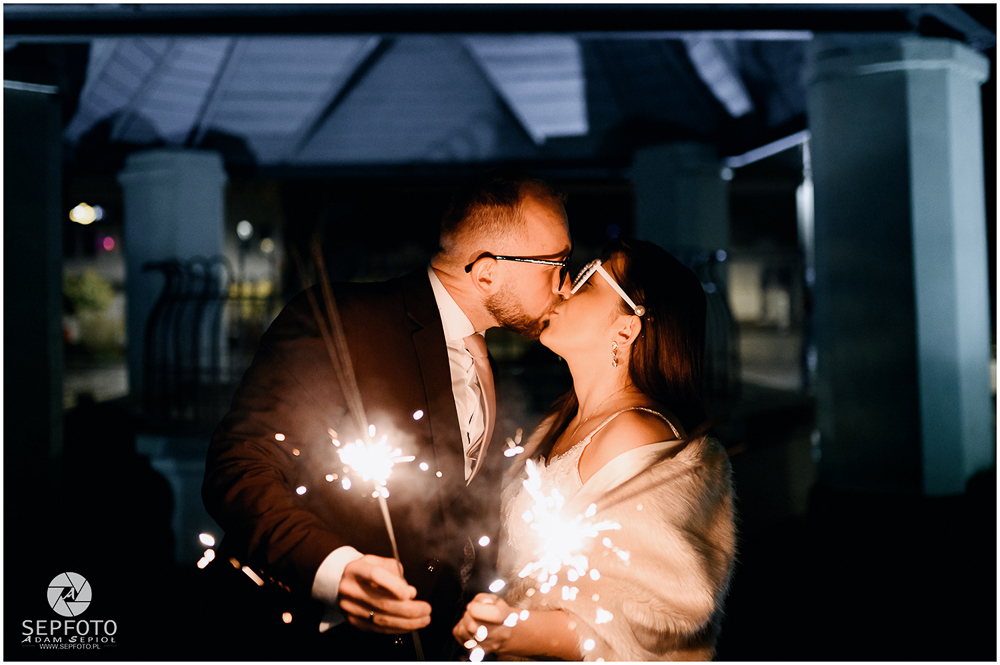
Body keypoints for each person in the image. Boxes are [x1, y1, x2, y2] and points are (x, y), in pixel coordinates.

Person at [202, 170, 572, 660]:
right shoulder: (341, 323)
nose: (566, 285)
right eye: (556, 264)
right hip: (306, 644)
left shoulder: (487, 361)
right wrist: (337, 571)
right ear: (486, 273)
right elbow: (238, 468)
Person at [453, 238, 736, 661]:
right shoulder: (559, 423)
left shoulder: (634, 435)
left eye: (587, 280)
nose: (564, 287)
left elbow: (646, 621)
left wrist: (510, 632)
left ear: (626, 328)